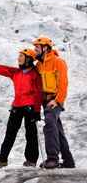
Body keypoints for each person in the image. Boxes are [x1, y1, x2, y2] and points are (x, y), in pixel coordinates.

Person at [0, 48, 43, 168]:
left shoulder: (34, 75)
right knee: (10, 134)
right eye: (19, 56)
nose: (19, 58)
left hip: (29, 107)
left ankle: (31, 160)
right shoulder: (15, 72)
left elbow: (38, 93)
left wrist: (36, 111)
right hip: (17, 106)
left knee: (31, 135)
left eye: (21, 56)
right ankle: (2, 159)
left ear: (29, 59)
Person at [33, 36, 75, 169]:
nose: (35, 49)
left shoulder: (58, 62)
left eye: (37, 47)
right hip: (45, 101)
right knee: (57, 128)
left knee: (50, 122)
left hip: (54, 100)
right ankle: (68, 161)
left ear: (45, 48)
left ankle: (53, 158)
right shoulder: (39, 64)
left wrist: (58, 100)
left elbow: (63, 83)